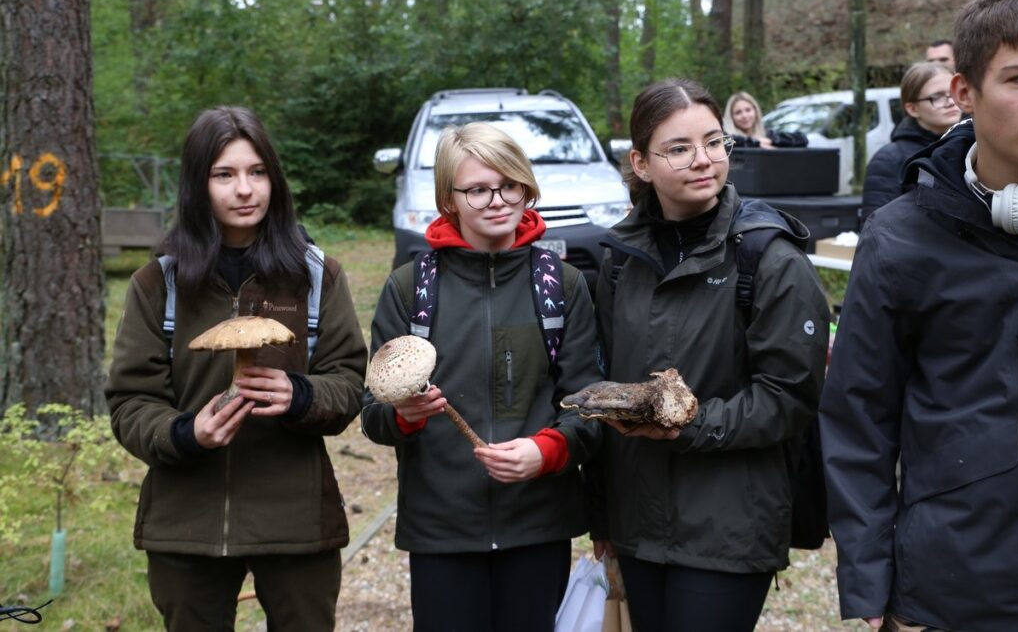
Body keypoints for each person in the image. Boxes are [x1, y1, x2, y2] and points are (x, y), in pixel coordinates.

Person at [106, 106, 368, 631]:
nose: (244, 189)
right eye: (224, 175)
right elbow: (130, 401)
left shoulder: (316, 276)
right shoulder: (160, 284)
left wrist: (300, 396)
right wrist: (185, 432)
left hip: (295, 520)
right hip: (187, 520)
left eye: (257, 172)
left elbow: (348, 382)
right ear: (197, 185)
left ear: (274, 178)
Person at [587, 79, 829, 632]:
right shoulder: (620, 261)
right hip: (637, 520)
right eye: (678, 148)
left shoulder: (768, 257)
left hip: (730, 524)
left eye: (715, 143)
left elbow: (790, 397)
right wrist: (601, 512)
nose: (703, 160)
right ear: (641, 163)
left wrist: (689, 424)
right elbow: (604, 386)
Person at [820, 0, 1018, 631]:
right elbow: (859, 418)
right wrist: (873, 590)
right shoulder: (902, 237)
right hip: (955, 589)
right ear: (963, 93)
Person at [360, 122, 603, 631]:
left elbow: (590, 407)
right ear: (449, 198)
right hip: (442, 529)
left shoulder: (563, 286)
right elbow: (372, 416)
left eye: (509, 184)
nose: (497, 200)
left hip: (538, 524)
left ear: (526, 186)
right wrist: (403, 416)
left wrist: (548, 450)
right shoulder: (411, 290)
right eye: (477, 189)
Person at [859, 61, 961, 226]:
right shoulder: (891, 158)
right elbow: (875, 229)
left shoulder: (975, 148)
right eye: (937, 97)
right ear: (912, 109)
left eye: (953, 93)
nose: (950, 102)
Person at [724, 90, 808, 149]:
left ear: (755, 111)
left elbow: (802, 139)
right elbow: (726, 143)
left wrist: (771, 141)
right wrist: (756, 143)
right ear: (731, 117)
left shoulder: (767, 134)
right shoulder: (728, 138)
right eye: (738, 112)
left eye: (748, 110)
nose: (744, 116)